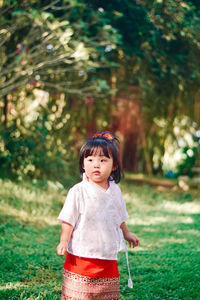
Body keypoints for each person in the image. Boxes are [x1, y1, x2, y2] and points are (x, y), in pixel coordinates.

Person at [57, 131, 140, 299]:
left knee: (105, 293)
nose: (96, 165)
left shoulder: (115, 191)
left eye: (103, 160)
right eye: (90, 160)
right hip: (81, 255)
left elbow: (119, 215)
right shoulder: (78, 191)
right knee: (80, 293)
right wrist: (63, 241)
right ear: (83, 164)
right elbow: (68, 219)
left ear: (114, 165)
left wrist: (126, 233)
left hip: (107, 253)